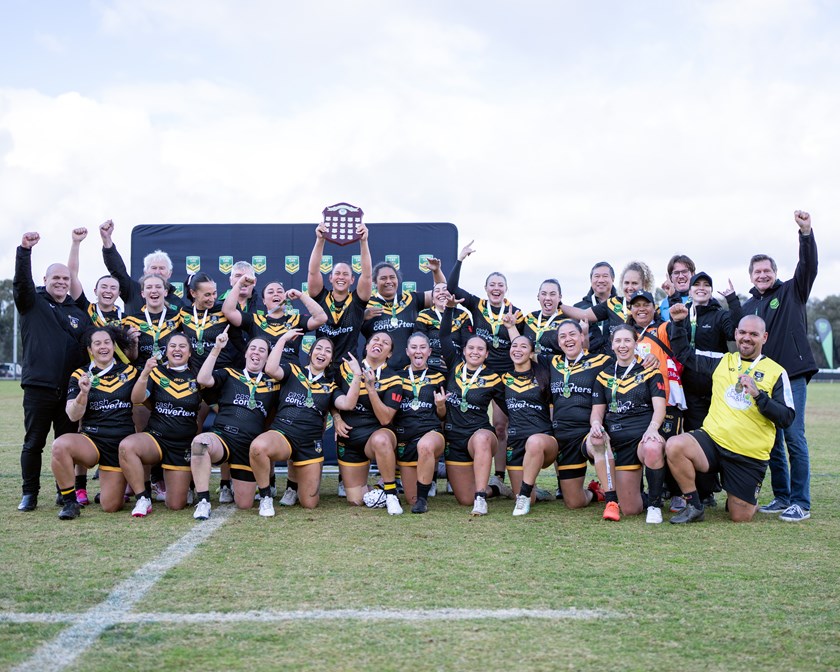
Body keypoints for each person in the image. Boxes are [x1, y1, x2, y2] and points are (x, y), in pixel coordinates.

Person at [666, 304, 795, 523]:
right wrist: (678, 323)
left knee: (740, 516)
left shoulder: (777, 372)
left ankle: (740, 493)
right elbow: (684, 354)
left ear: (764, 337)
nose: (747, 338)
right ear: (735, 334)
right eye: (742, 332)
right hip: (713, 441)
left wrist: (759, 395)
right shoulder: (723, 361)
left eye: (753, 334)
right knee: (674, 445)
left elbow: (787, 418)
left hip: (747, 453)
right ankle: (694, 505)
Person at [743, 211, 818, 522]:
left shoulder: (792, 290)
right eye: (757, 271)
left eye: (767, 270)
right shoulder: (748, 306)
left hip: (793, 376)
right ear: (751, 276)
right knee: (771, 441)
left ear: (775, 272)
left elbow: (808, 266)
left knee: (794, 437)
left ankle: (801, 502)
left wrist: (806, 234)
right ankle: (782, 496)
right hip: (765, 379)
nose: (762, 275)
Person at [14, 231, 91, 511]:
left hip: (69, 390)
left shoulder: (78, 312)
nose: (61, 282)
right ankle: (29, 494)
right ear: (45, 280)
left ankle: (64, 491)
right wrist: (25, 251)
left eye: (65, 279)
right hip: (39, 387)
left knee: (66, 442)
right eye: (55, 278)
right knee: (34, 442)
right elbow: (22, 282)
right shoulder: (32, 302)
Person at [252, 332, 363, 515]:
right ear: (310, 353)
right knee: (258, 447)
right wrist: (283, 339)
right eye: (318, 348)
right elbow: (271, 369)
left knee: (309, 503)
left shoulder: (330, 386)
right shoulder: (293, 370)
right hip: (284, 433)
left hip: (310, 443)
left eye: (327, 351)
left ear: (331, 359)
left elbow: (348, 404)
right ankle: (266, 497)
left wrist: (357, 375)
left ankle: (294, 483)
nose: (322, 353)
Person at [446, 240, 522, 496]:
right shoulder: (477, 305)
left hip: (506, 376)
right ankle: (486, 476)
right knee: (480, 422)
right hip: (480, 374)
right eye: (492, 285)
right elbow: (451, 288)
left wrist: (512, 326)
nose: (496, 288)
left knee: (504, 425)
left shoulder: (516, 312)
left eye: (500, 285)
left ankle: (505, 477)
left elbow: (521, 346)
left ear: (506, 289)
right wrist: (460, 259)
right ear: (486, 288)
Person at [50, 326, 138, 519]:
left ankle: (114, 489)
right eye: (97, 344)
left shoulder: (130, 372)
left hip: (119, 445)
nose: (103, 347)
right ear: (90, 349)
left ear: (114, 346)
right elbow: (73, 415)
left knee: (111, 506)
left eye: (107, 342)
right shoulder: (80, 375)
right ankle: (70, 502)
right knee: (60, 445)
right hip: (92, 440)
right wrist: (83, 393)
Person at [190, 330, 279, 519]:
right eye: (253, 348)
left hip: (249, 446)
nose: (256, 352)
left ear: (267, 357)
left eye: (262, 350)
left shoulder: (274, 384)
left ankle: (261, 493)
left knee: (244, 504)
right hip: (223, 437)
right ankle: (203, 501)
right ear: (245, 353)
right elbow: (203, 379)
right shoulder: (230, 373)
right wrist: (216, 348)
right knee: (199, 444)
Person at [587, 325, 667, 523]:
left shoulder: (650, 371)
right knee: (631, 509)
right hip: (618, 442)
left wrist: (652, 429)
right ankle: (635, 497)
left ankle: (655, 505)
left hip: (641, 437)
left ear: (635, 344)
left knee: (653, 446)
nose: (622, 345)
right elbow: (597, 411)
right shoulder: (604, 376)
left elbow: (660, 408)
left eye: (627, 340)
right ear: (612, 345)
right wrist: (596, 424)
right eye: (618, 341)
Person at [119, 333, 203, 516]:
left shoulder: (198, 376)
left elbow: (212, 404)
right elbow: (136, 399)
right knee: (127, 446)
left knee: (176, 505)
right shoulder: (156, 372)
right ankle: (143, 498)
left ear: (190, 352)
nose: (177, 350)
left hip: (182, 444)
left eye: (182, 346)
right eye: (173, 346)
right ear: (166, 351)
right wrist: (144, 373)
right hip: (156, 437)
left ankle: (187, 485)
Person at [438, 304, 506, 515]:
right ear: (464, 350)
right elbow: (444, 335)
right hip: (454, 437)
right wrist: (449, 309)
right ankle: (495, 489)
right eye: (471, 348)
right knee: (465, 499)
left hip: (479, 434)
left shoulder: (493, 377)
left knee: (482, 439)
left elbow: (509, 407)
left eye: (480, 349)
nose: (475, 352)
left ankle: (481, 499)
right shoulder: (454, 365)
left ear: (486, 354)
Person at [333, 332, 404, 514]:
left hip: (376, 433)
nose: (379, 343)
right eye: (375, 340)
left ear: (389, 353)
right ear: (366, 346)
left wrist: (371, 388)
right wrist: (336, 418)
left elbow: (385, 419)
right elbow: (330, 395)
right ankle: (378, 490)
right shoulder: (346, 368)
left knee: (381, 440)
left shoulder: (393, 378)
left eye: (385, 343)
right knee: (356, 500)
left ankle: (391, 493)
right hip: (349, 437)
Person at [545, 320, 611, 509]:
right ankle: (595, 492)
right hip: (564, 436)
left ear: (582, 336)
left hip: (590, 431)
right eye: (563, 336)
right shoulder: (552, 362)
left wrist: (650, 358)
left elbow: (628, 362)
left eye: (572, 334)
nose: (568, 339)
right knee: (574, 502)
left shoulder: (602, 361)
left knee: (598, 442)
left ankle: (612, 498)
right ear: (558, 342)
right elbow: (521, 352)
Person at [496, 326, 558, 517]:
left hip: (543, 441)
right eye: (514, 346)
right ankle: (531, 493)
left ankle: (524, 494)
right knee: (529, 500)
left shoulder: (544, 375)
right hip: (516, 442)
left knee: (534, 441)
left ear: (532, 353)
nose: (518, 349)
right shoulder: (503, 380)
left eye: (524, 347)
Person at [307, 220, 373, 372]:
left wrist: (364, 242)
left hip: (348, 368)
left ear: (352, 280)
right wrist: (320, 240)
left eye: (345, 274)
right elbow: (313, 272)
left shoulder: (357, 301)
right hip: (321, 365)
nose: (341, 277)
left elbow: (367, 275)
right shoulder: (321, 297)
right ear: (330, 278)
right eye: (337, 273)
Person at [392, 332, 447, 513]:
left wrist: (441, 406)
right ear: (407, 351)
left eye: (423, 347)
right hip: (405, 437)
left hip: (430, 431)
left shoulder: (438, 377)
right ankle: (420, 494)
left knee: (425, 446)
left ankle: (423, 500)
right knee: (411, 499)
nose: (418, 351)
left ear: (429, 352)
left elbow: (442, 416)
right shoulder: (397, 377)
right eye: (414, 347)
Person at [222, 274, 327, 366]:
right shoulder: (255, 320)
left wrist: (301, 296)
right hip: (263, 376)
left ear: (285, 298)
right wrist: (239, 284)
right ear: (263, 301)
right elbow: (228, 311)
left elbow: (321, 318)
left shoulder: (296, 320)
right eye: (270, 292)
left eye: (280, 291)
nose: (276, 294)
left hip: (291, 375)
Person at [362, 258, 445, 370]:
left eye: (392, 277)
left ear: (398, 280)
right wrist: (362, 316)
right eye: (383, 278)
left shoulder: (410, 299)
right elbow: (348, 325)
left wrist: (436, 271)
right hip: (378, 372)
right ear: (375, 282)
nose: (388, 281)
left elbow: (441, 293)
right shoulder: (367, 304)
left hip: (410, 372)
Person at [560, 260, 655, 357]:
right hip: (613, 361)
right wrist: (557, 303)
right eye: (626, 283)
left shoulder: (652, 308)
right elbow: (584, 314)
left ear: (644, 284)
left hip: (642, 359)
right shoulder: (612, 303)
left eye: (634, 283)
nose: (630, 287)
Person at [99, 219, 182, 312]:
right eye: (153, 268)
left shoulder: (178, 303)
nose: (157, 272)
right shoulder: (132, 290)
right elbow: (117, 270)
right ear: (145, 271)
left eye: (162, 268)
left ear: (169, 273)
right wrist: (107, 240)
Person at [414, 281, 473, 372]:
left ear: (452, 295)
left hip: (456, 365)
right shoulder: (424, 316)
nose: (441, 292)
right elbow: (419, 343)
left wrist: (456, 362)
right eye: (437, 291)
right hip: (430, 366)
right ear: (433, 300)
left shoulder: (462, 316)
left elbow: (467, 343)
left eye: (445, 290)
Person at [574, 261, 618, 356]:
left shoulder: (622, 306)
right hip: (589, 361)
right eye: (597, 276)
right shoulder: (579, 308)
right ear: (591, 280)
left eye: (605, 276)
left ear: (613, 279)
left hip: (618, 360)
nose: (601, 280)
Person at [520, 279, 567, 357]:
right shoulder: (529, 318)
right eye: (544, 294)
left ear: (559, 297)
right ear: (538, 296)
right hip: (530, 364)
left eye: (552, 294)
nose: (547, 298)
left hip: (554, 364)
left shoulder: (567, 321)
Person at [659, 254, 696, 321]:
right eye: (676, 273)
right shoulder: (663, 304)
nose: (681, 276)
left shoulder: (702, 300)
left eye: (684, 271)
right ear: (670, 277)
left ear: (692, 274)